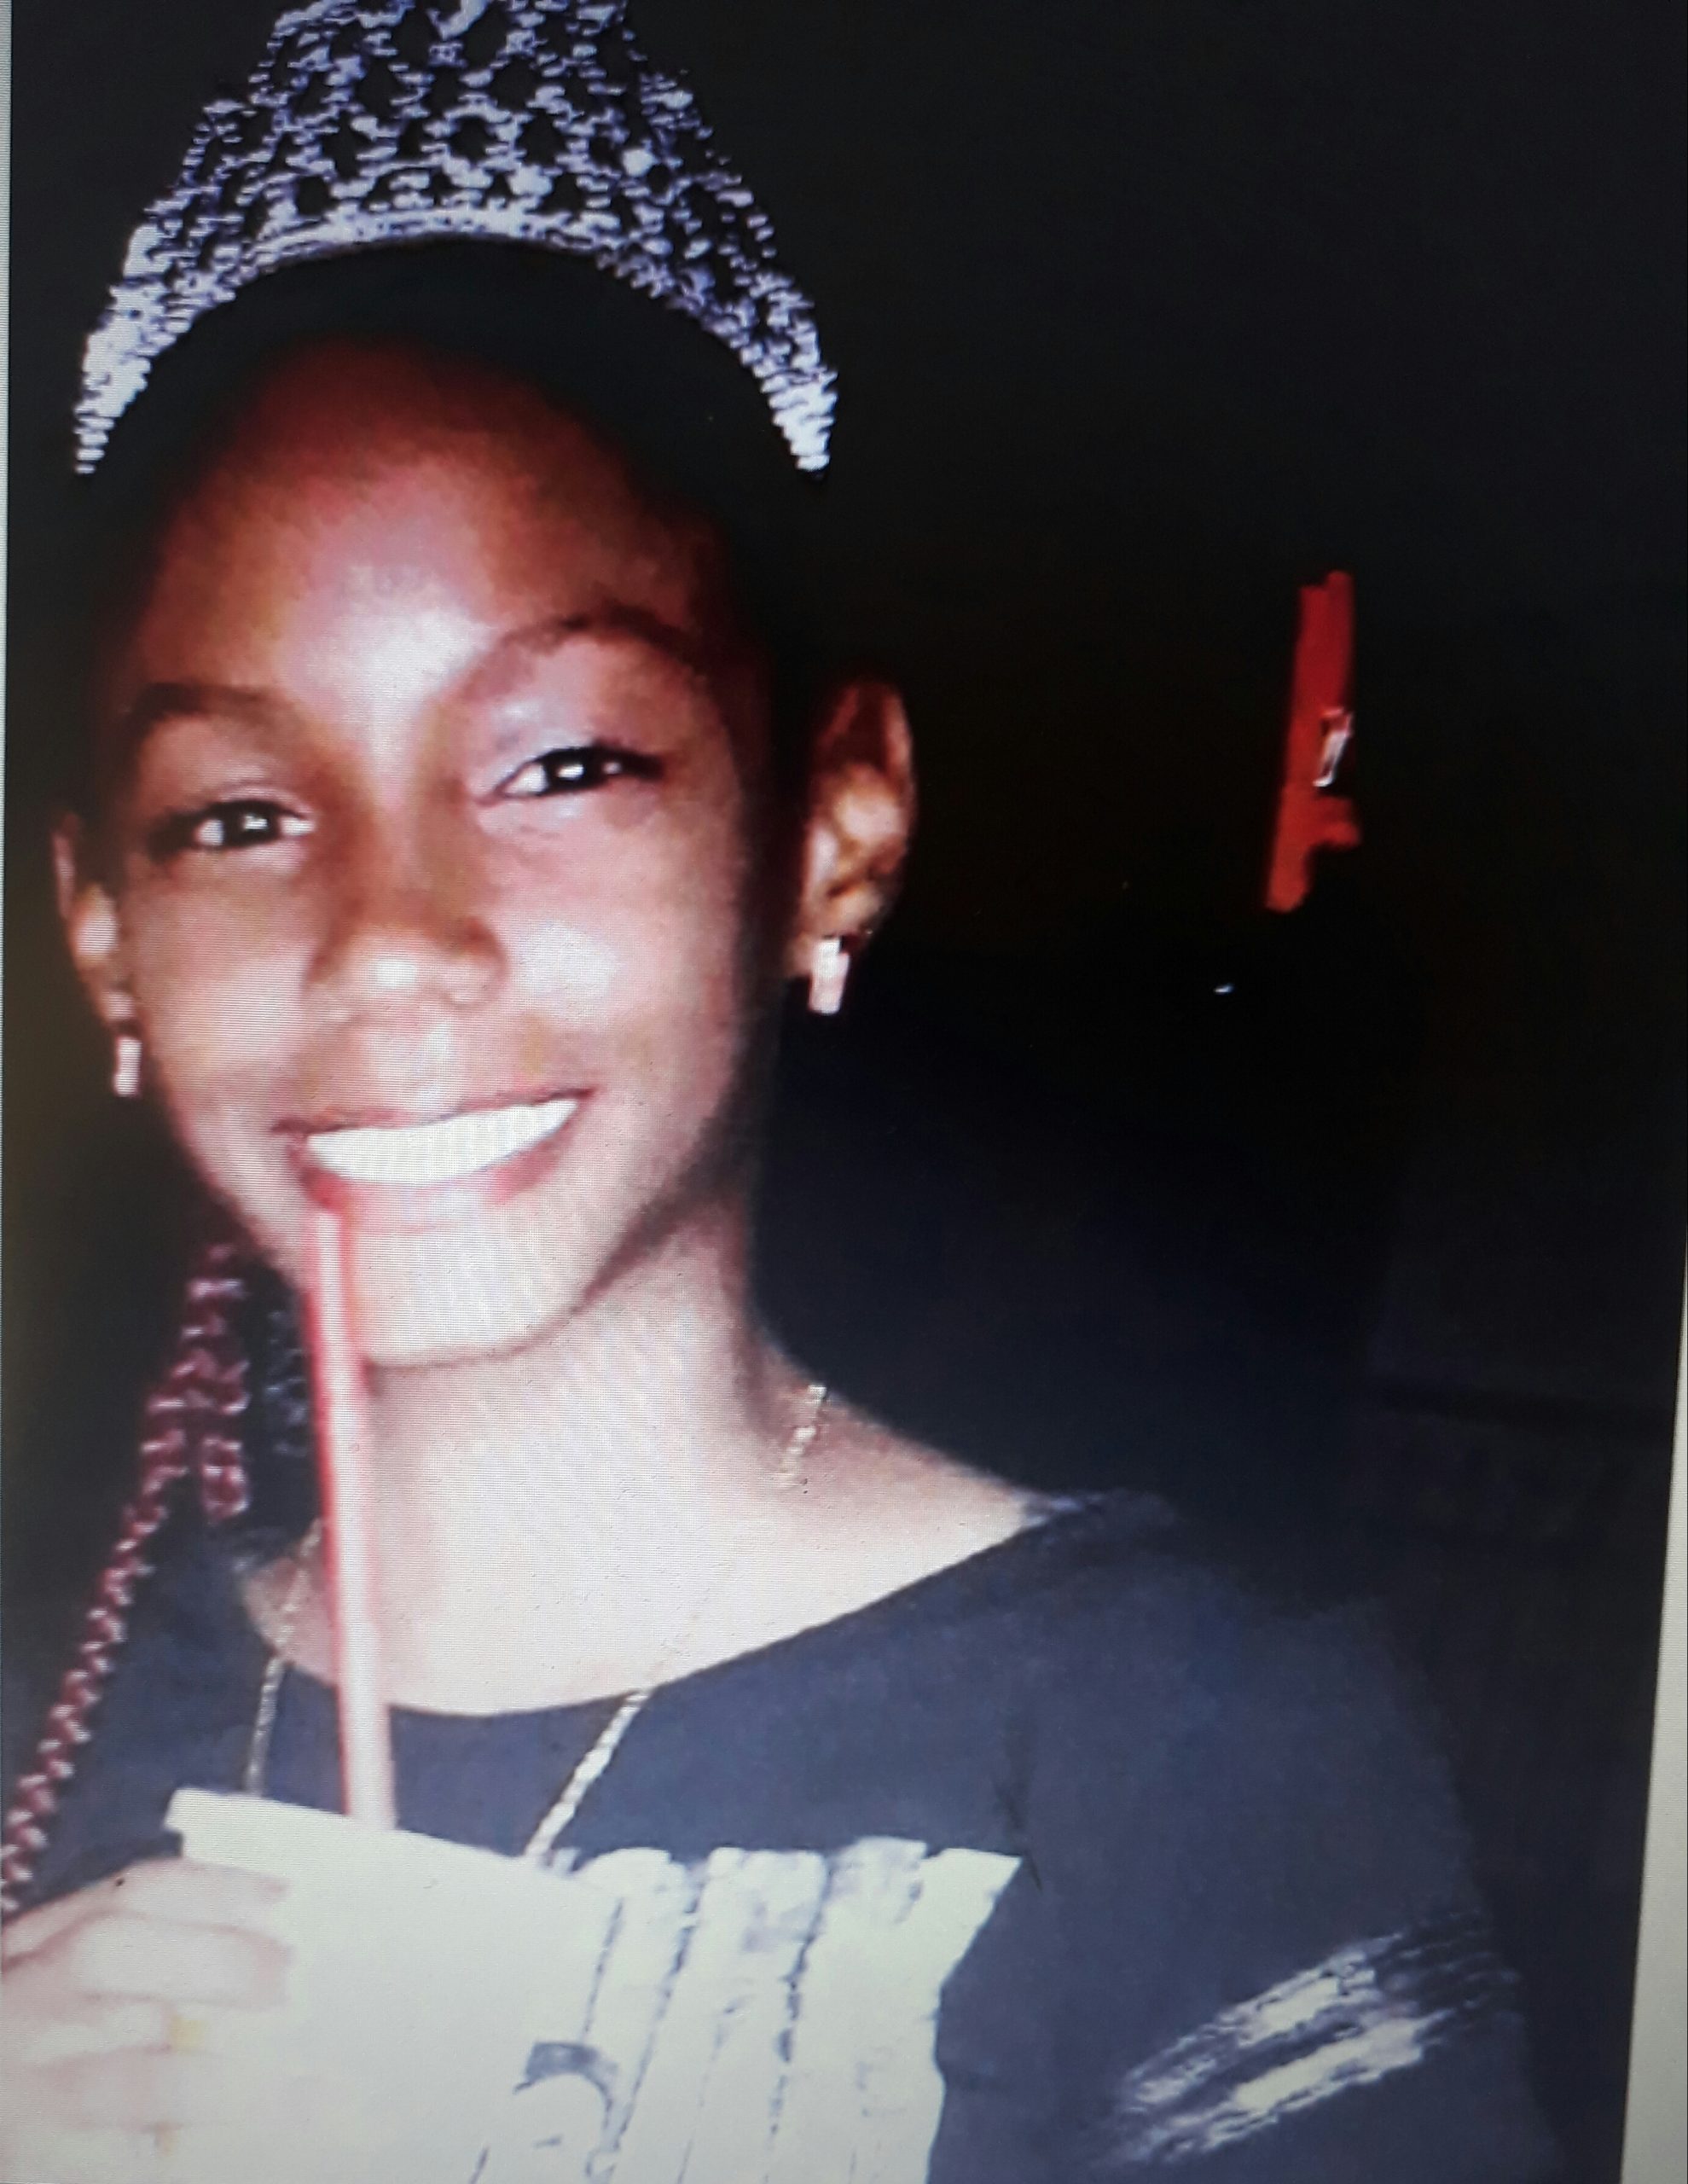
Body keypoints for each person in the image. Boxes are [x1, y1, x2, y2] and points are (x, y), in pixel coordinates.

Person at [1, 3, 1562, 2179]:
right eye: (240, 814)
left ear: (835, 827)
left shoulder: (1185, 1745)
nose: (389, 938)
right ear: (106, 936)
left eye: (564, 763)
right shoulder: (43, 1705)